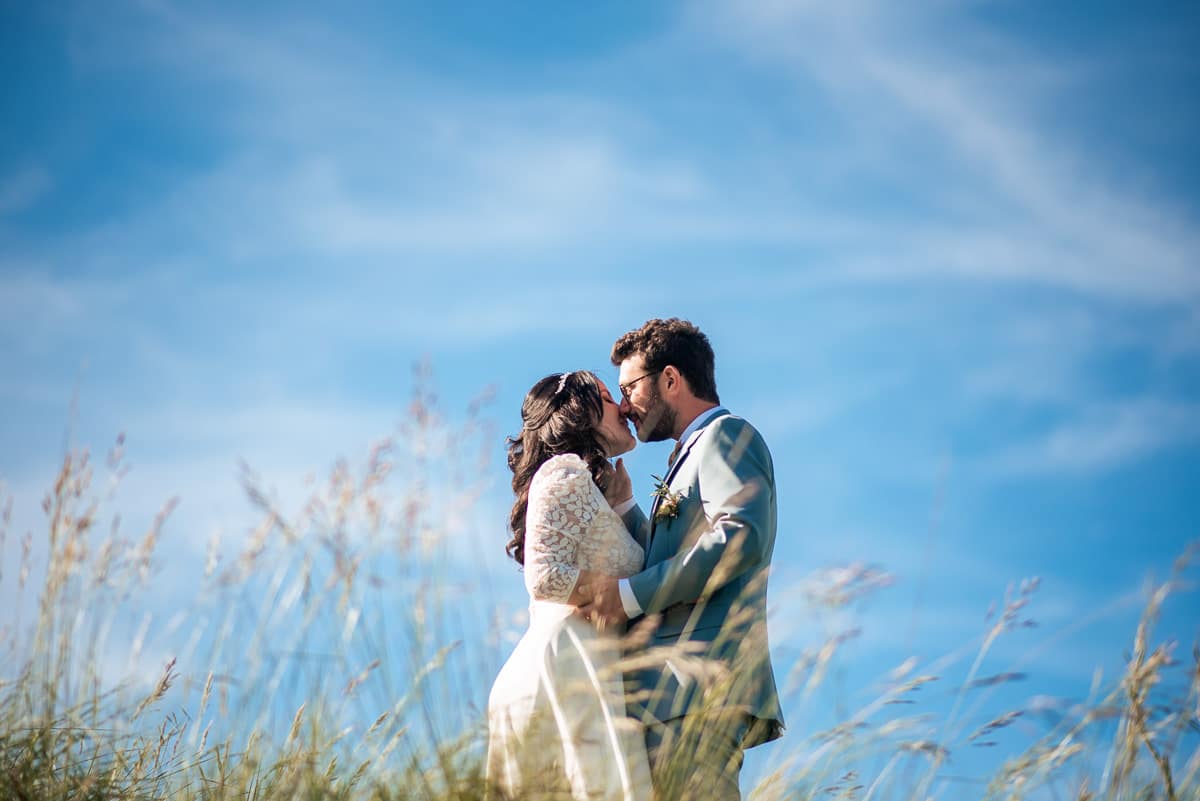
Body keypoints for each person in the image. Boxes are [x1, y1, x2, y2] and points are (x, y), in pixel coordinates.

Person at [576, 318, 784, 801]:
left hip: (695, 692)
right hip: (667, 699)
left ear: (670, 379)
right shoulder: (690, 454)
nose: (623, 405)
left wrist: (627, 597)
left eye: (629, 388)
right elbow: (676, 553)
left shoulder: (725, 435)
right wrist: (627, 509)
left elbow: (739, 537)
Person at [486, 370, 655, 801]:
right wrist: (613, 595)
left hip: (583, 668)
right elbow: (544, 576)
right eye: (608, 397)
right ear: (580, 411)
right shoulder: (565, 469)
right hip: (566, 667)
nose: (623, 407)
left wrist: (623, 504)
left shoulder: (587, 487)